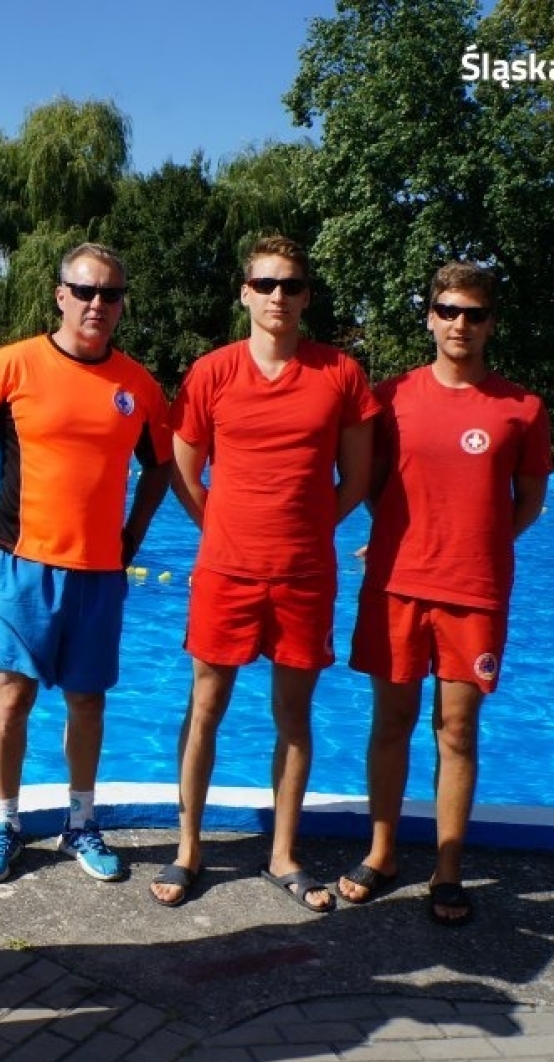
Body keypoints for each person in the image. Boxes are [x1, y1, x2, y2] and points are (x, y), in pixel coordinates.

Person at [151, 236, 378, 911]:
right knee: (205, 710)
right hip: (227, 572)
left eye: (291, 285)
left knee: (294, 717)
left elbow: (358, 477)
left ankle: (283, 852)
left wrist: (307, 529)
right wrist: (225, 531)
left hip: (305, 574)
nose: (279, 296)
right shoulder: (211, 373)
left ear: (306, 296)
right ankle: (189, 847)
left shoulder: (340, 373)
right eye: (266, 284)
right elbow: (184, 475)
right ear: (245, 292)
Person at [0, 243, 173, 886]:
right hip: (24, 564)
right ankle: (6, 823)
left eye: (111, 294)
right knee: (11, 697)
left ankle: (80, 821)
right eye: (86, 291)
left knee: (88, 701)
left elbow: (161, 463)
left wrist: (134, 532)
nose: (98, 304)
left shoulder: (137, 384)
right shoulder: (10, 366)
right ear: (61, 294)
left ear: (122, 303)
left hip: (101, 570)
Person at [339, 262, 551, 927]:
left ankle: (449, 868)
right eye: (449, 310)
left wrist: (473, 542)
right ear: (429, 316)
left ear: (491, 323)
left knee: (457, 730)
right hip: (397, 586)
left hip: (473, 593)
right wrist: (408, 533)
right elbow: (369, 483)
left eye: (475, 313)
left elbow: (530, 503)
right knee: (392, 723)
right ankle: (381, 854)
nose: (461, 323)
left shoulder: (522, 407)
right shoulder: (389, 395)